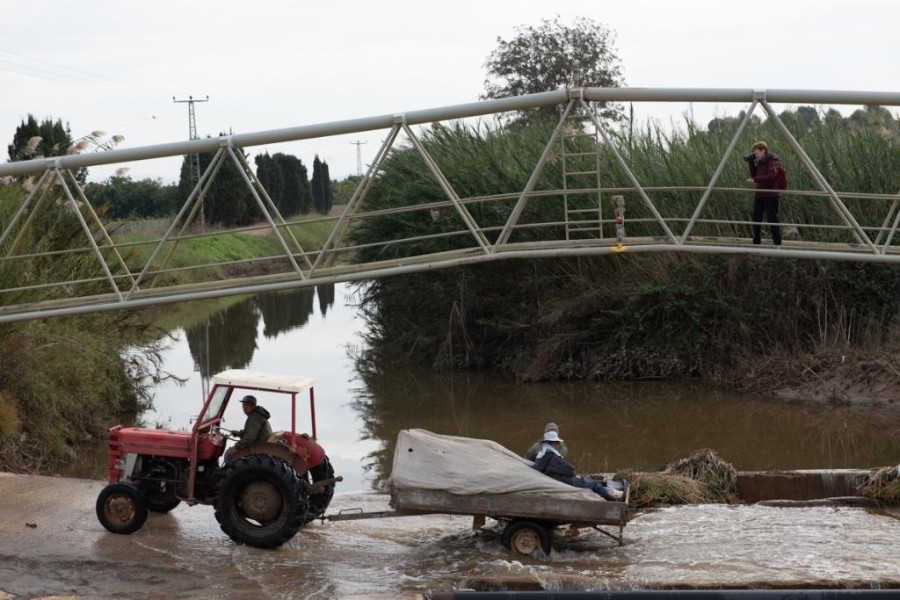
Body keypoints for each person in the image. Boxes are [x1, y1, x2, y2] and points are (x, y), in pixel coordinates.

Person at [531, 430, 623, 501]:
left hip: (557, 479)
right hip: (564, 481)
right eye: (557, 442)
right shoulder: (552, 457)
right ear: (552, 443)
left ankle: (610, 493)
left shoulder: (541, 455)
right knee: (595, 485)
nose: (559, 445)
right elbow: (570, 471)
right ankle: (614, 501)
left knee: (588, 480)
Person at [744, 141, 783, 246]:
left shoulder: (772, 161)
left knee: (772, 218)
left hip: (771, 194)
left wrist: (756, 179)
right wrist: (751, 161)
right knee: (756, 218)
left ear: (763, 151)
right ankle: (756, 242)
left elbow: (771, 176)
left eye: (756, 153)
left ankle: (777, 243)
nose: (755, 155)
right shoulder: (761, 162)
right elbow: (754, 175)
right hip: (760, 194)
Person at [224, 395, 272, 463]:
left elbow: (250, 437)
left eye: (247, 405)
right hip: (259, 444)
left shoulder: (255, 417)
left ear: (253, 406)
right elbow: (251, 432)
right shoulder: (256, 415)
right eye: (243, 405)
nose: (244, 408)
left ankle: (228, 472)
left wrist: (237, 445)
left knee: (229, 454)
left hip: (258, 446)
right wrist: (240, 433)